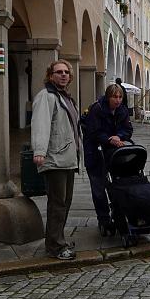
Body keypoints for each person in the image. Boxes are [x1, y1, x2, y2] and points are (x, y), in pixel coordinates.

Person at [32, 60, 81, 260]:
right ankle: (55, 246)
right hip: (54, 158)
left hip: (67, 158)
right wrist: (40, 151)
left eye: (66, 72)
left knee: (65, 203)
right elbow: (41, 124)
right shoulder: (47, 96)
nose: (63, 75)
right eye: (58, 72)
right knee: (57, 204)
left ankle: (57, 240)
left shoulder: (65, 97)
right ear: (50, 75)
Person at [83, 84, 133, 234]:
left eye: (120, 97)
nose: (117, 100)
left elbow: (128, 129)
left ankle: (118, 214)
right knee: (98, 187)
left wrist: (120, 136)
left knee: (116, 185)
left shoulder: (122, 110)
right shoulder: (97, 109)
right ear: (108, 97)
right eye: (114, 97)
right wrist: (109, 139)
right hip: (95, 151)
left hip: (113, 152)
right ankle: (103, 219)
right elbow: (94, 132)